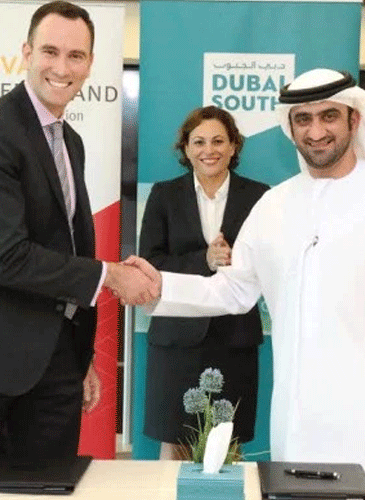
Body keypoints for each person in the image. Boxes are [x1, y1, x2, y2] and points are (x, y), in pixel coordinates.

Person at [127, 68, 365, 465]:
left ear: (354, 119)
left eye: (329, 116)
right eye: (303, 119)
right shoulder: (274, 206)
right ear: (291, 128)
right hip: (305, 423)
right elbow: (233, 289)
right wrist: (159, 287)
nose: (316, 131)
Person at [0, 1, 158, 458]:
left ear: (90, 63)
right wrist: (111, 275)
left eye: (76, 56)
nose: (62, 68)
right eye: (50, 52)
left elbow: (65, 246)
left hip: (56, 365)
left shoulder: (70, 140)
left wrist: (79, 356)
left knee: (53, 487)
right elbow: (6, 259)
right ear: (27, 53)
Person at [140, 106, 269, 459]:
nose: (208, 150)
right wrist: (204, 260)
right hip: (176, 340)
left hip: (235, 339)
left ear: (233, 146)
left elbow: (271, 261)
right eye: (198, 142)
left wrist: (236, 260)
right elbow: (150, 264)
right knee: (175, 447)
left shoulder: (260, 196)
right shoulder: (164, 195)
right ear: (185, 148)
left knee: (227, 449)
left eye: (218, 141)